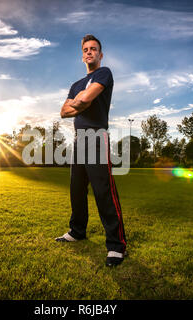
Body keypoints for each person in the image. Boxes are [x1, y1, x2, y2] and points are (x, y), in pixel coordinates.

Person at [56, 34, 127, 267]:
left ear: (100, 54)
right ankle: (77, 231)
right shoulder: (75, 84)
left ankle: (116, 246)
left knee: (102, 190)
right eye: (86, 49)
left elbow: (85, 99)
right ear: (82, 55)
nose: (89, 52)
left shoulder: (104, 73)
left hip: (97, 136)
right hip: (79, 139)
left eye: (93, 49)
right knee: (76, 189)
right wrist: (81, 101)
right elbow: (63, 112)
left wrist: (80, 101)